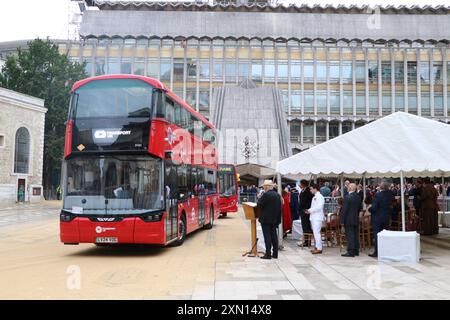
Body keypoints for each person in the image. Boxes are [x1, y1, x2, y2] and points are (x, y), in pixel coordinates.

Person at [257, 180, 282, 260]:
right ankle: (275, 254)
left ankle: (268, 254)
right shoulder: (277, 195)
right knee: (274, 236)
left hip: (266, 219)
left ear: (266, 186)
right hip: (274, 219)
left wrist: (259, 197)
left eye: (264, 186)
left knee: (267, 236)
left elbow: (259, 205)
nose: (263, 188)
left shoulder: (266, 195)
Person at [368, 182, 394, 258]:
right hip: (386, 217)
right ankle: (385, 250)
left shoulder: (378, 195)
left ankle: (377, 252)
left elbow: (374, 207)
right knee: (385, 234)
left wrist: (369, 209)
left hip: (377, 218)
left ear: (381, 187)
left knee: (377, 235)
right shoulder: (390, 194)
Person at [341, 183, 362, 257]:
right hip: (355, 218)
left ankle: (351, 251)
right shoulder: (358, 197)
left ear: (350, 188)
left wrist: (342, 221)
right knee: (355, 235)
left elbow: (344, 210)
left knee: (350, 235)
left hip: (348, 219)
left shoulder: (347, 197)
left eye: (348, 187)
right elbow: (360, 208)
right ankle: (356, 251)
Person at [305, 184, 325, 254]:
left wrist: (310, 210)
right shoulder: (315, 197)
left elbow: (319, 207)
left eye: (311, 189)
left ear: (315, 189)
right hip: (314, 217)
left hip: (317, 217)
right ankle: (317, 246)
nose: (310, 190)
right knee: (315, 233)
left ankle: (319, 248)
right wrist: (309, 210)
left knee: (317, 233)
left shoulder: (320, 197)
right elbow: (314, 206)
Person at [298, 180, 314, 246]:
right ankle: (306, 241)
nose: (299, 185)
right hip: (302, 210)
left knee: (306, 226)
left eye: (300, 184)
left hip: (306, 211)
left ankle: (308, 242)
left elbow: (307, 201)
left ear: (303, 184)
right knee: (304, 226)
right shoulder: (303, 190)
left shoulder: (308, 191)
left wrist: (305, 209)